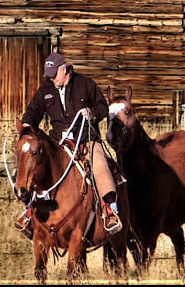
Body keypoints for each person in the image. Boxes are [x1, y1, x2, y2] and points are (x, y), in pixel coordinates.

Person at [18, 51, 122, 234]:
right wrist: (26, 124)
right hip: (58, 142)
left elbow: (103, 107)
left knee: (98, 163)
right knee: (36, 165)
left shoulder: (85, 84)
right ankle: (30, 212)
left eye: (54, 75)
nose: (52, 80)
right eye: (48, 76)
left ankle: (109, 209)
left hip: (86, 138)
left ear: (64, 69)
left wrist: (91, 113)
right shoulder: (46, 91)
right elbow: (33, 111)